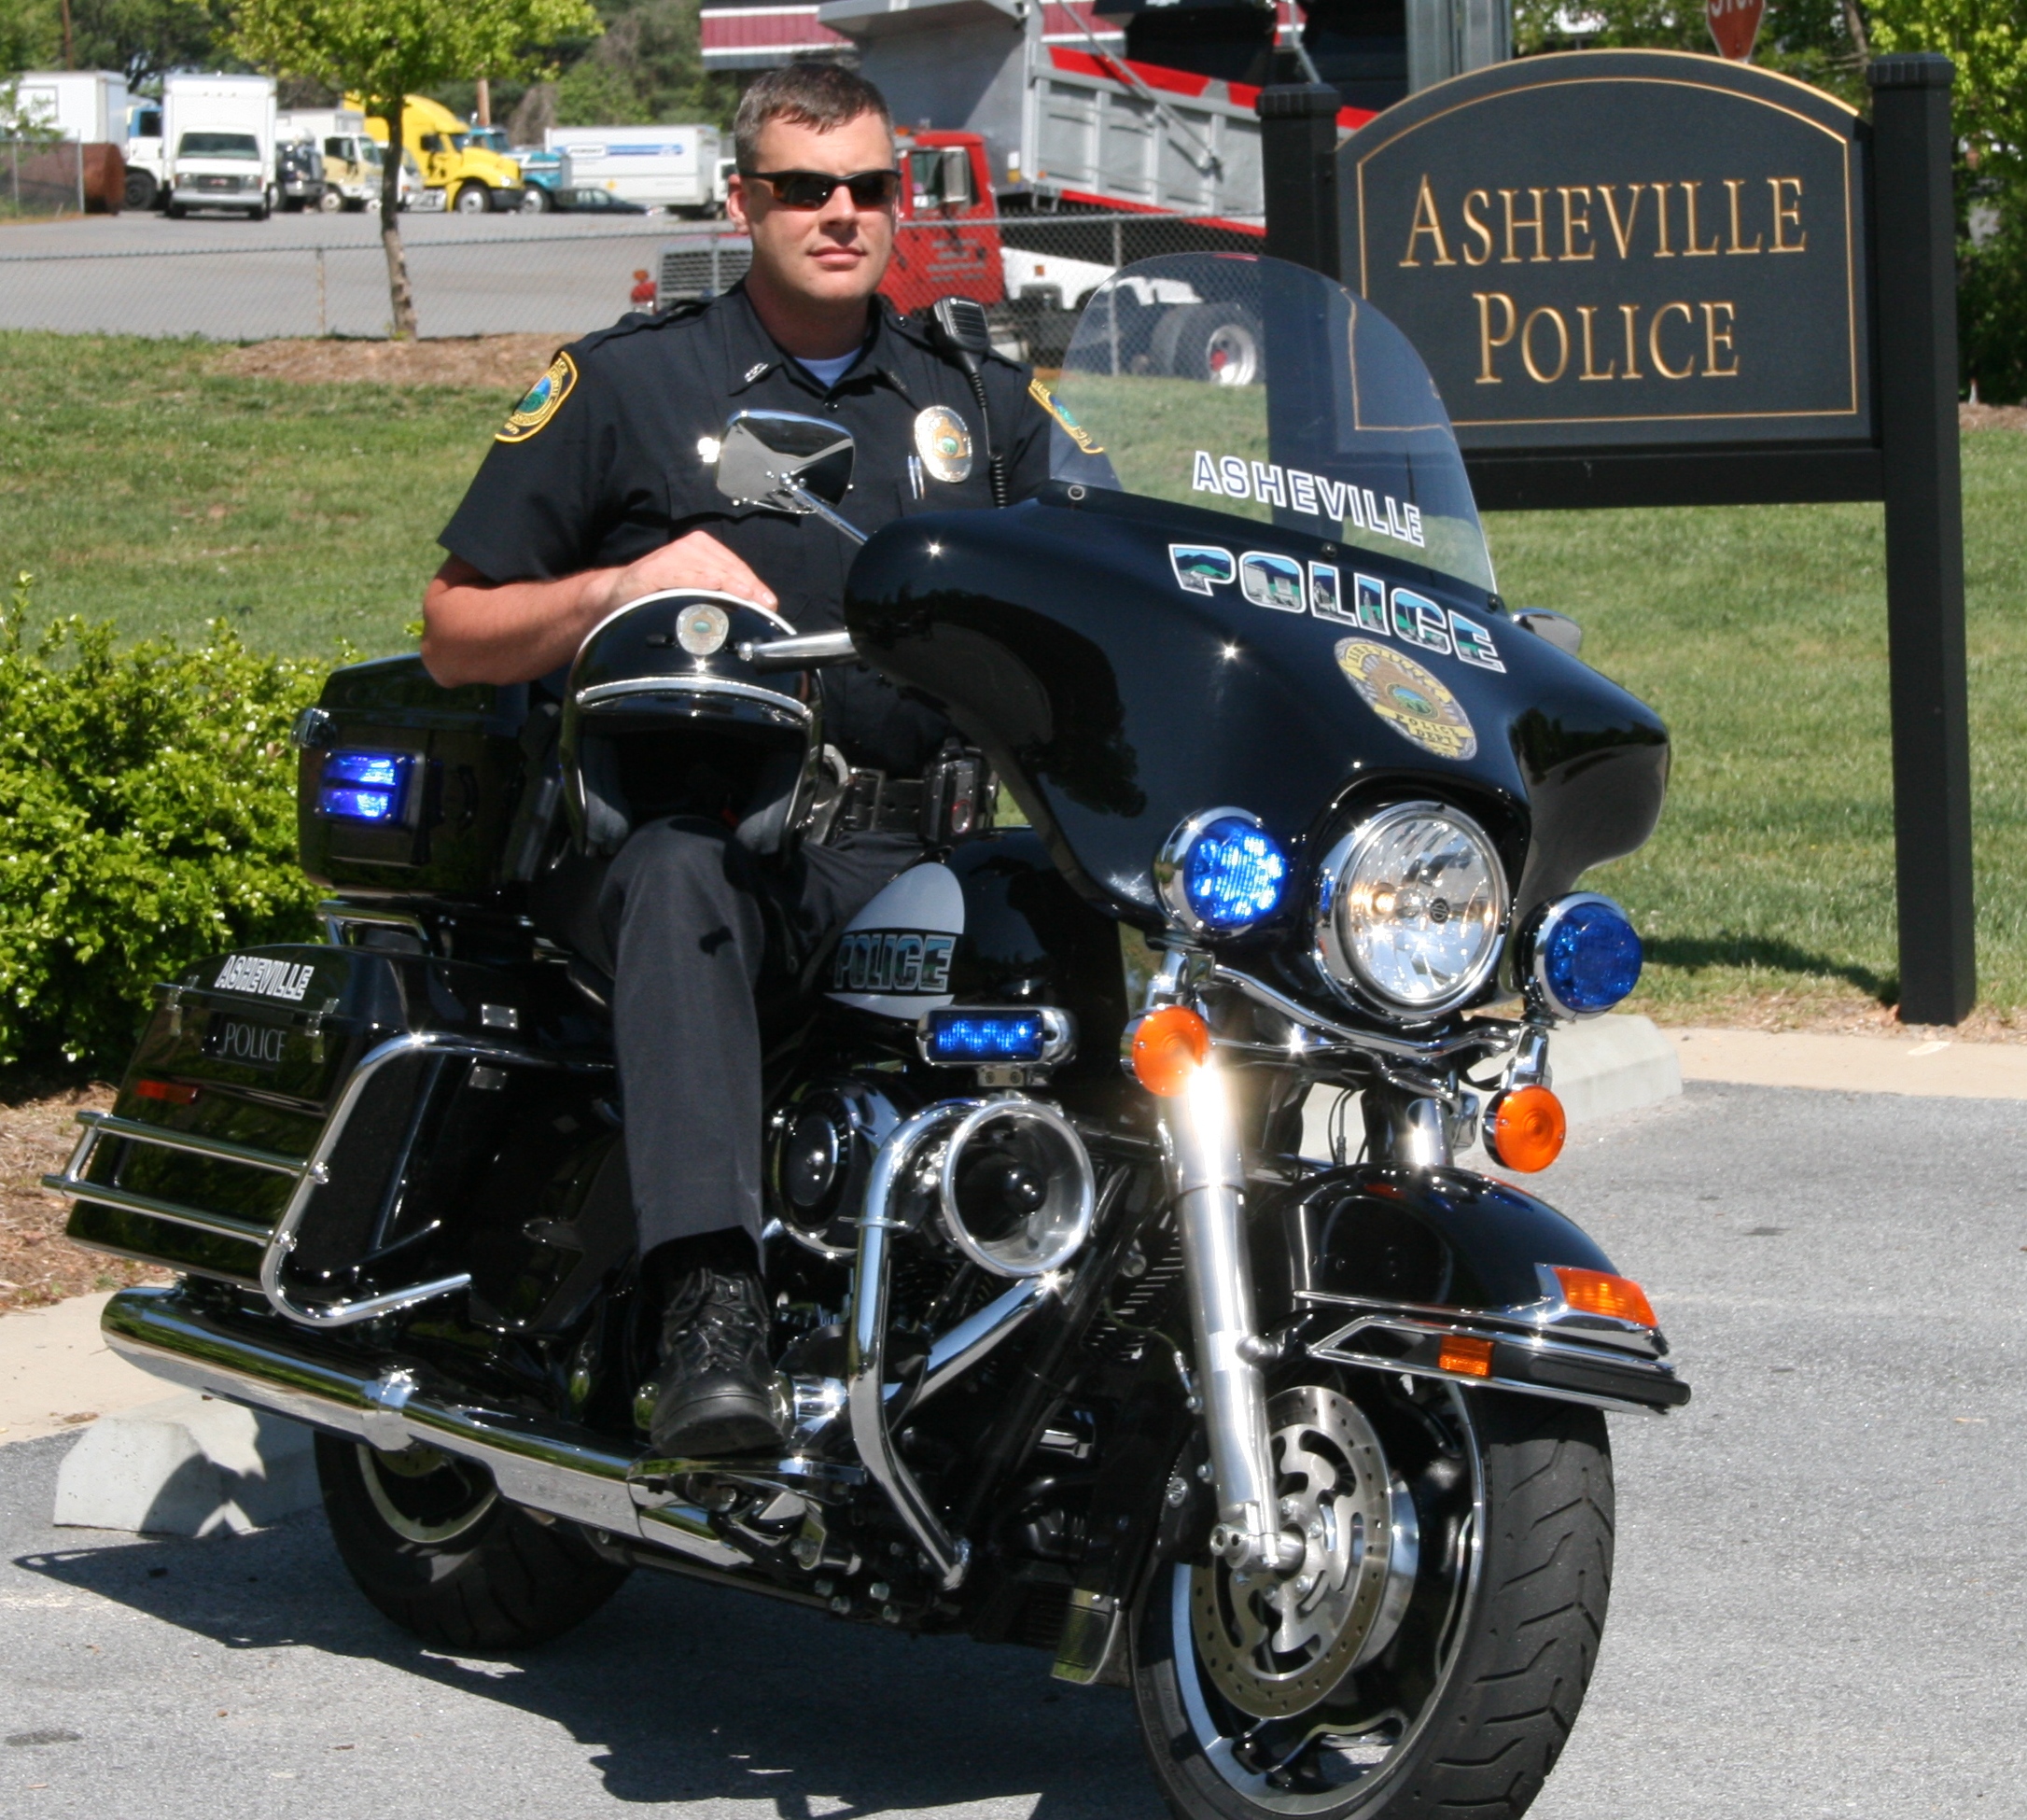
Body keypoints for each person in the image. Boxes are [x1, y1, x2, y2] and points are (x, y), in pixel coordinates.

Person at [421, 63, 1053, 1457]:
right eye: (803, 188)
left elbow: (1109, 567)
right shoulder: (630, 384)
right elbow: (454, 632)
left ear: (901, 197)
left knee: (1072, 913)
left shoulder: (973, 402)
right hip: (692, 844)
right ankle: (709, 1303)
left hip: (915, 848)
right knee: (681, 877)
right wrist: (619, 585)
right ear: (742, 200)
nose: (841, 214)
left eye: (868, 186)